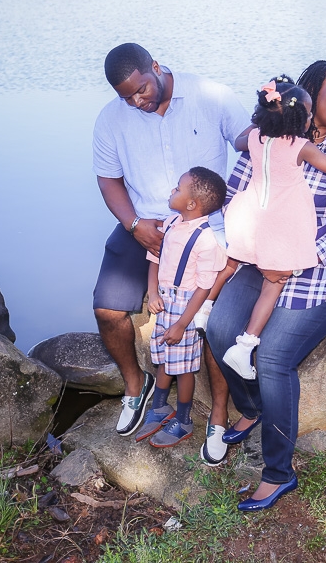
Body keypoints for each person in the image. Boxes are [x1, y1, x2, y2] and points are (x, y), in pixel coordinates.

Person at [206, 61, 326, 512]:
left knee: (274, 356)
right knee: (220, 329)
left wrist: (293, 260)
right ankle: (253, 406)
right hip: (266, 255)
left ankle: (278, 473)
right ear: (310, 92)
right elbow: (235, 195)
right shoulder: (269, 138)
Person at [91, 43, 250, 465]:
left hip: (206, 230)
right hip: (145, 227)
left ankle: (217, 414)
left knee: (215, 320)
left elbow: (248, 140)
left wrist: (278, 123)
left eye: (141, 89)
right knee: (107, 308)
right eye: (126, 97)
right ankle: (136, 386)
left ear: (156, 67)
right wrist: (133, 225)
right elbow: (108, 180)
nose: (136, 101)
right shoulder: (110, 119)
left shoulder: (210, 95)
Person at [218, 75, 326, 379]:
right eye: (307, 115)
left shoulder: (256, 139)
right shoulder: (301, 146)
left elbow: (239, 141)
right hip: (282, 232)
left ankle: (204, 307)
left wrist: (261, 121)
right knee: (274, 284)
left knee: (234, 265)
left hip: (252, 224)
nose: (309, 119)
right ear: (300, 119)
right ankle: (245, 346)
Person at [134, 167, 228, 447]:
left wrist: (182, 324)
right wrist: (153, 292)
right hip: (165, 301)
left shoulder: (206, 240)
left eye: (177, 188)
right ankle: (161, 406)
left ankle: (184, 419)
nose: (171, 191)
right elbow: (155, 258)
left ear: (191, 204)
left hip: (185, 308)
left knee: (184, 368)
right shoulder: (171, 223)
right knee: (165, 358)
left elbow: (204, 288)